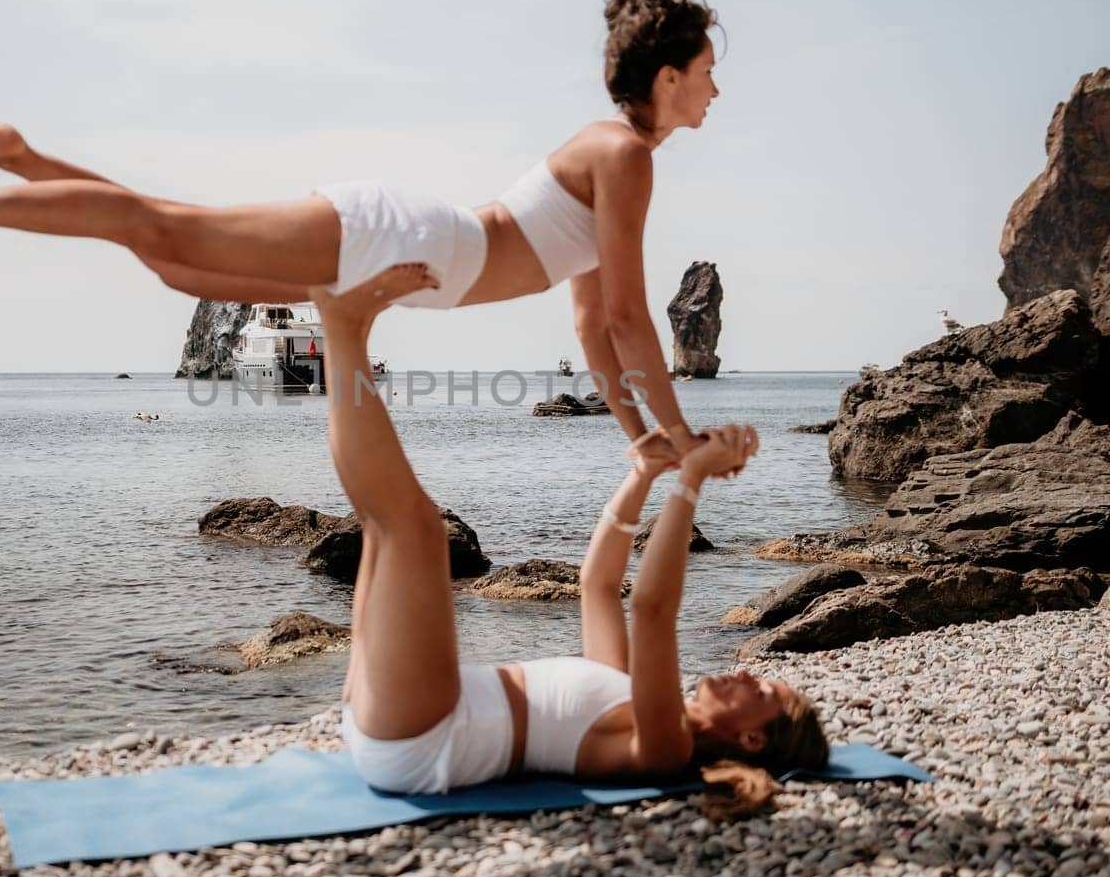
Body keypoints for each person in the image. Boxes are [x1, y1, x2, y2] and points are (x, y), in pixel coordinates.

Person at [0, 0, 722, 468]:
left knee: (173, 258)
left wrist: (642, 438)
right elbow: (627, 319)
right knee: (164, 229)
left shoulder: (612, 154)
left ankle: (23, 160)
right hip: (408, 241)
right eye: (707, 70)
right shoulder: (627, 155)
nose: (716, 89)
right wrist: (683, 438)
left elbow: (591, 322)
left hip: (411, 258)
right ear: (668, 76)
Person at [308, 261, 827, 813]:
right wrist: (644, 475)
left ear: (751, 739)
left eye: (767, 693)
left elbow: (651, 609)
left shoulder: (666, 744)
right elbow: (598, 585)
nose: (751, 673)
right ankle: (347, 328)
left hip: (424, 736)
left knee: (415, 529)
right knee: (382, 523)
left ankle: (341, 325)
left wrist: (693, 479)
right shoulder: (630, 694)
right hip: (404, 716)